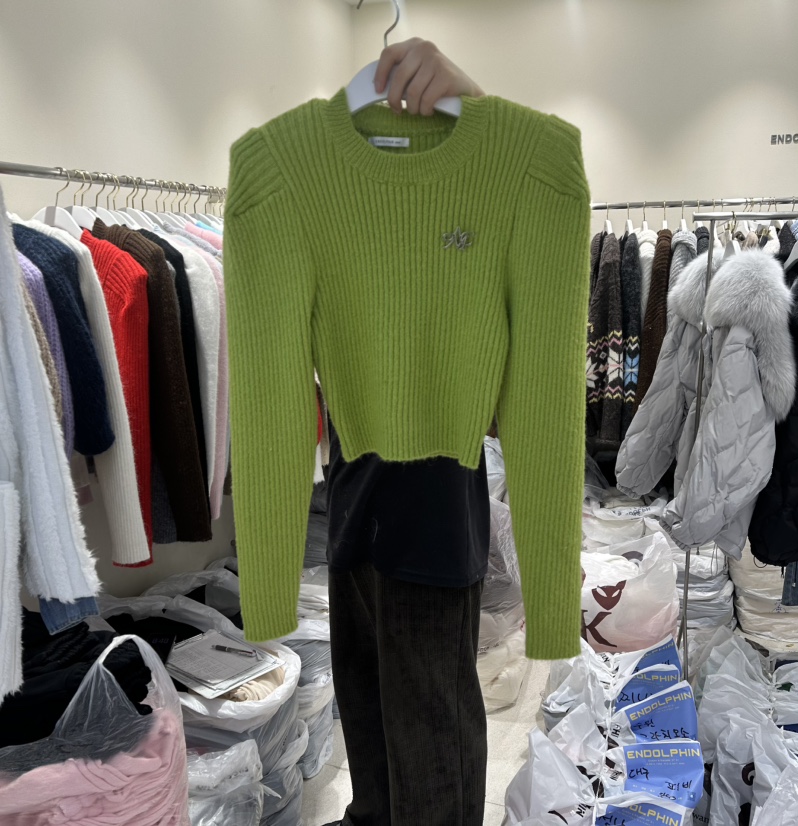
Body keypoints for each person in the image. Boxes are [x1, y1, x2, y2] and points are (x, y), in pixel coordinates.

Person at [322, 38, 488, 826]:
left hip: (432, 527)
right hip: (354, 510)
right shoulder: (328, 209)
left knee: (433, 751)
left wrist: (473, 102)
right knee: (370, 731)